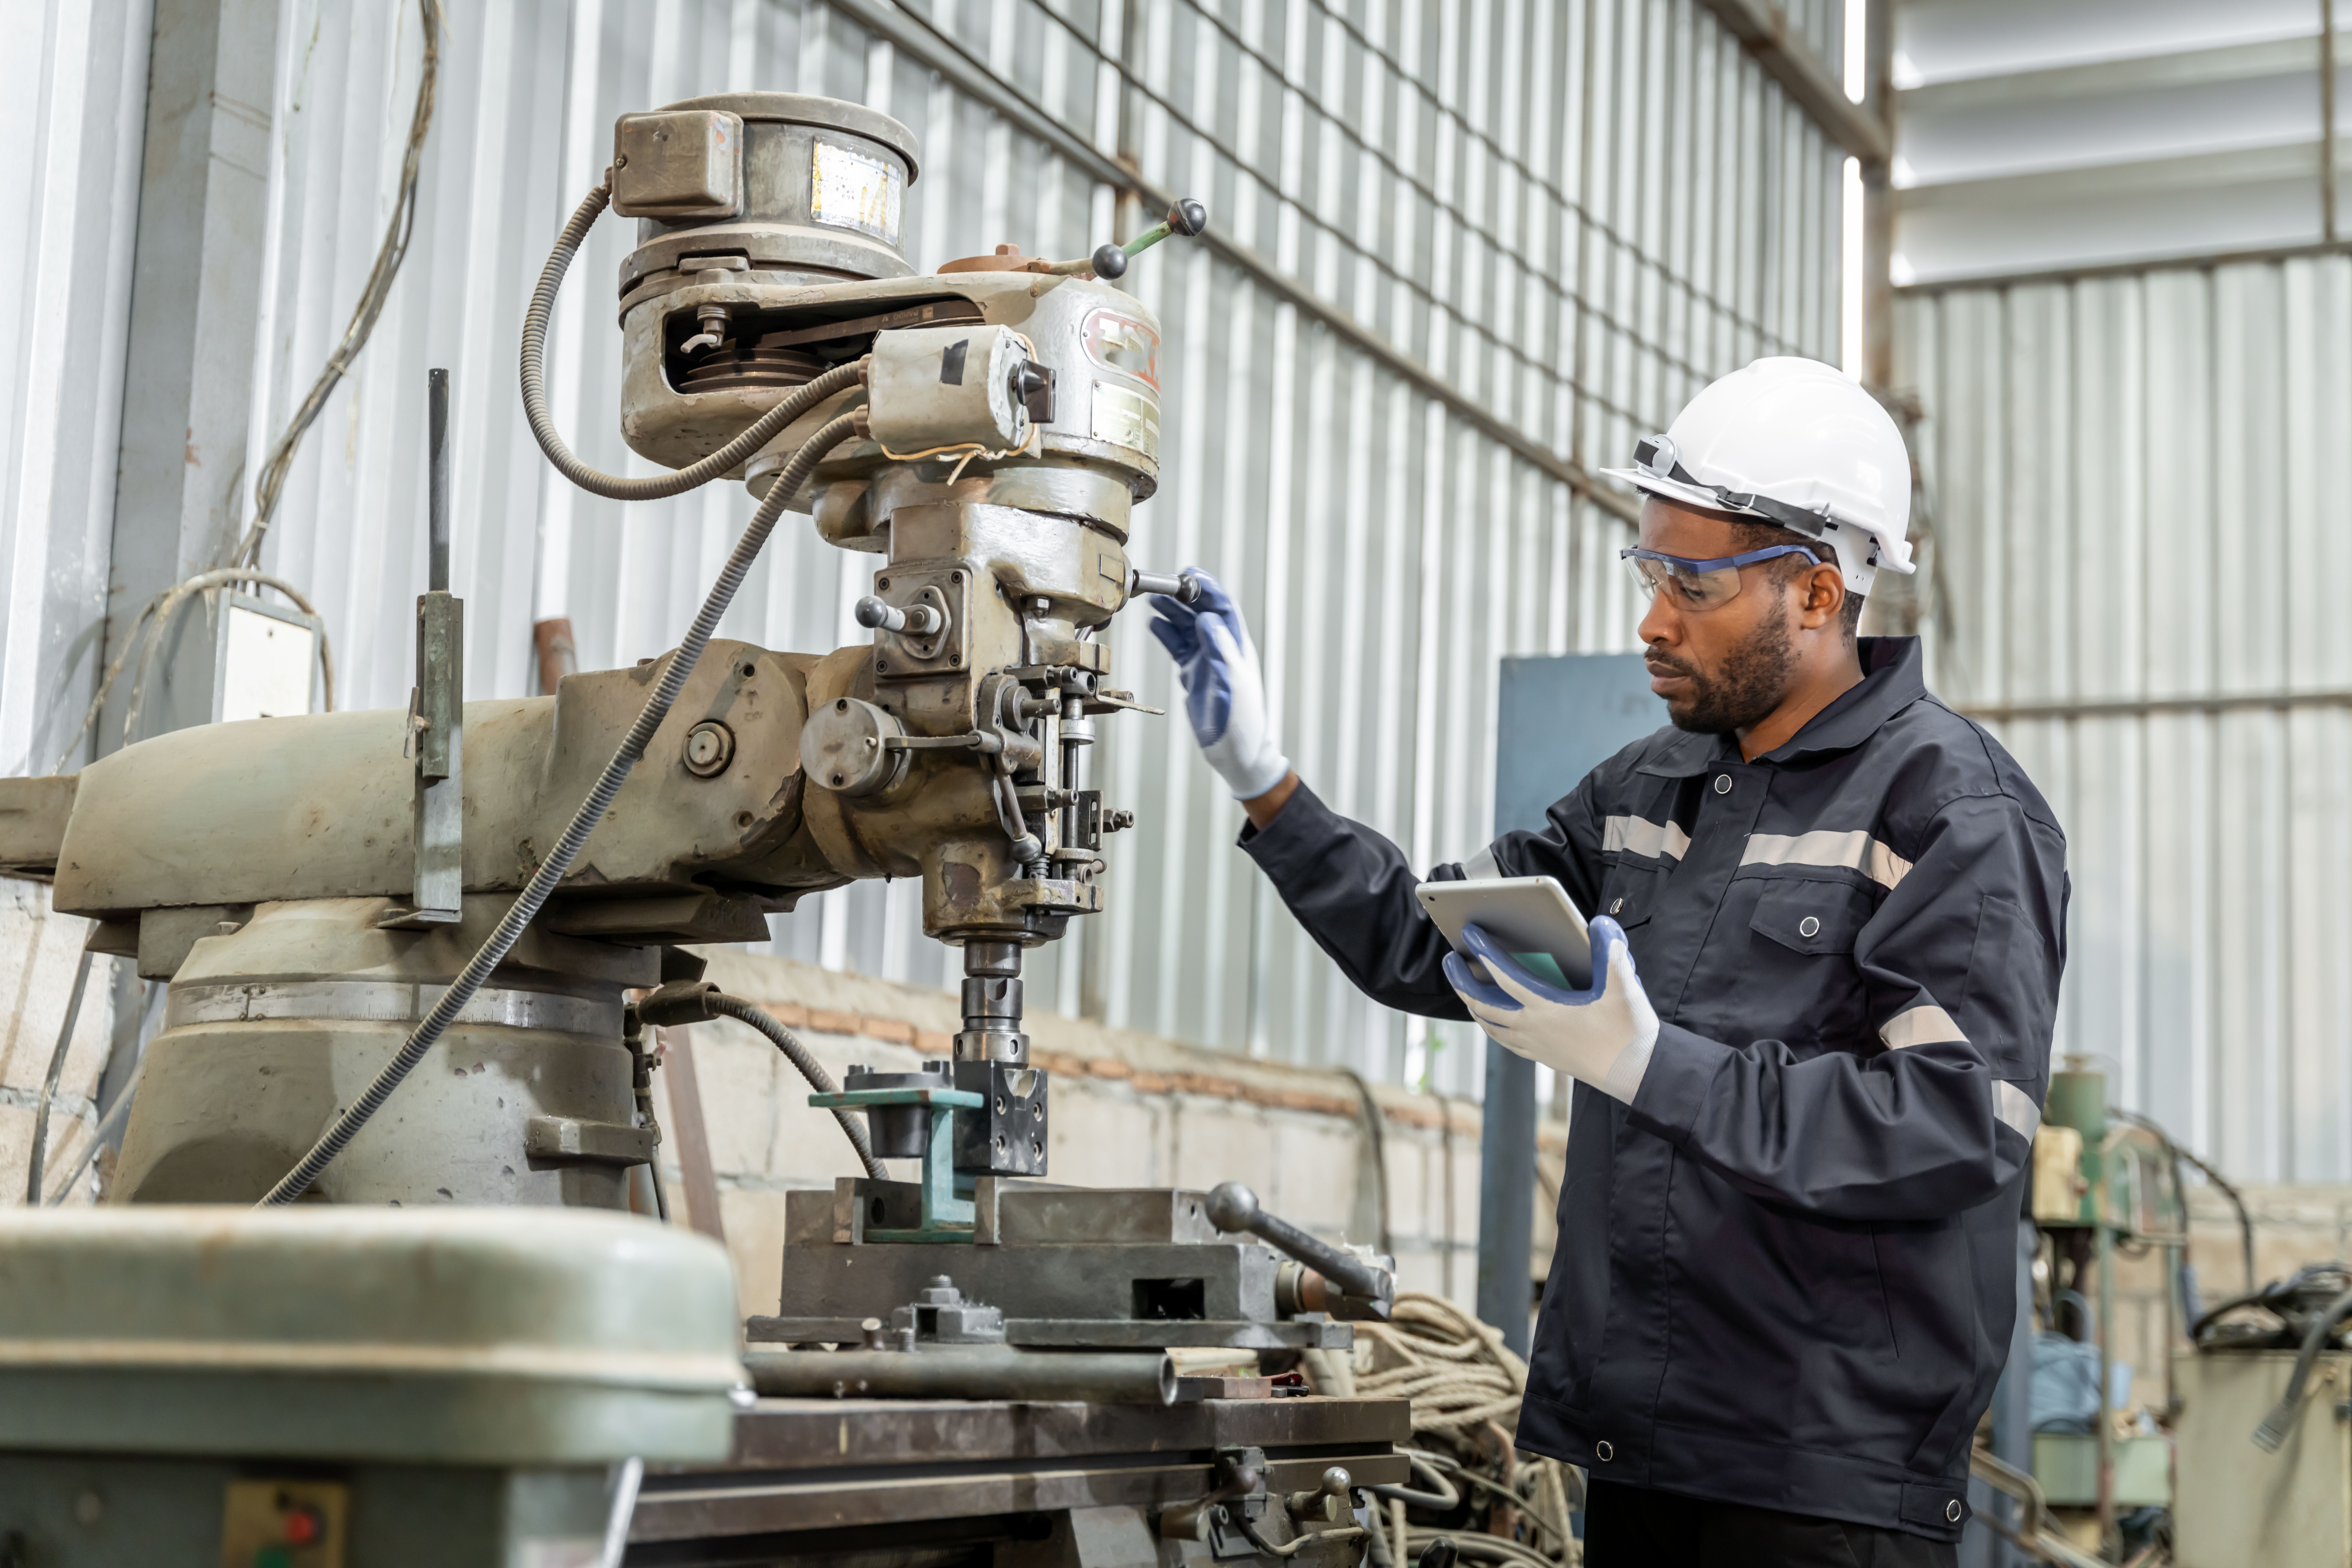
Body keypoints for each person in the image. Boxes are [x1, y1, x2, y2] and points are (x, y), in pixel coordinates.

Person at [1149, 357, 2067, 1567]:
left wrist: (1650, 1065)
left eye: (1694, 583)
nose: (1652, 620)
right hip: (1639, 1455)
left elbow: (1953, 1126)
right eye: (1650, 570)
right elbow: (1440, 948)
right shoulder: (1648, 793)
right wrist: (1270, 789)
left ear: (1816, 589)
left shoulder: (1953, 811)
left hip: (1825, 1490)